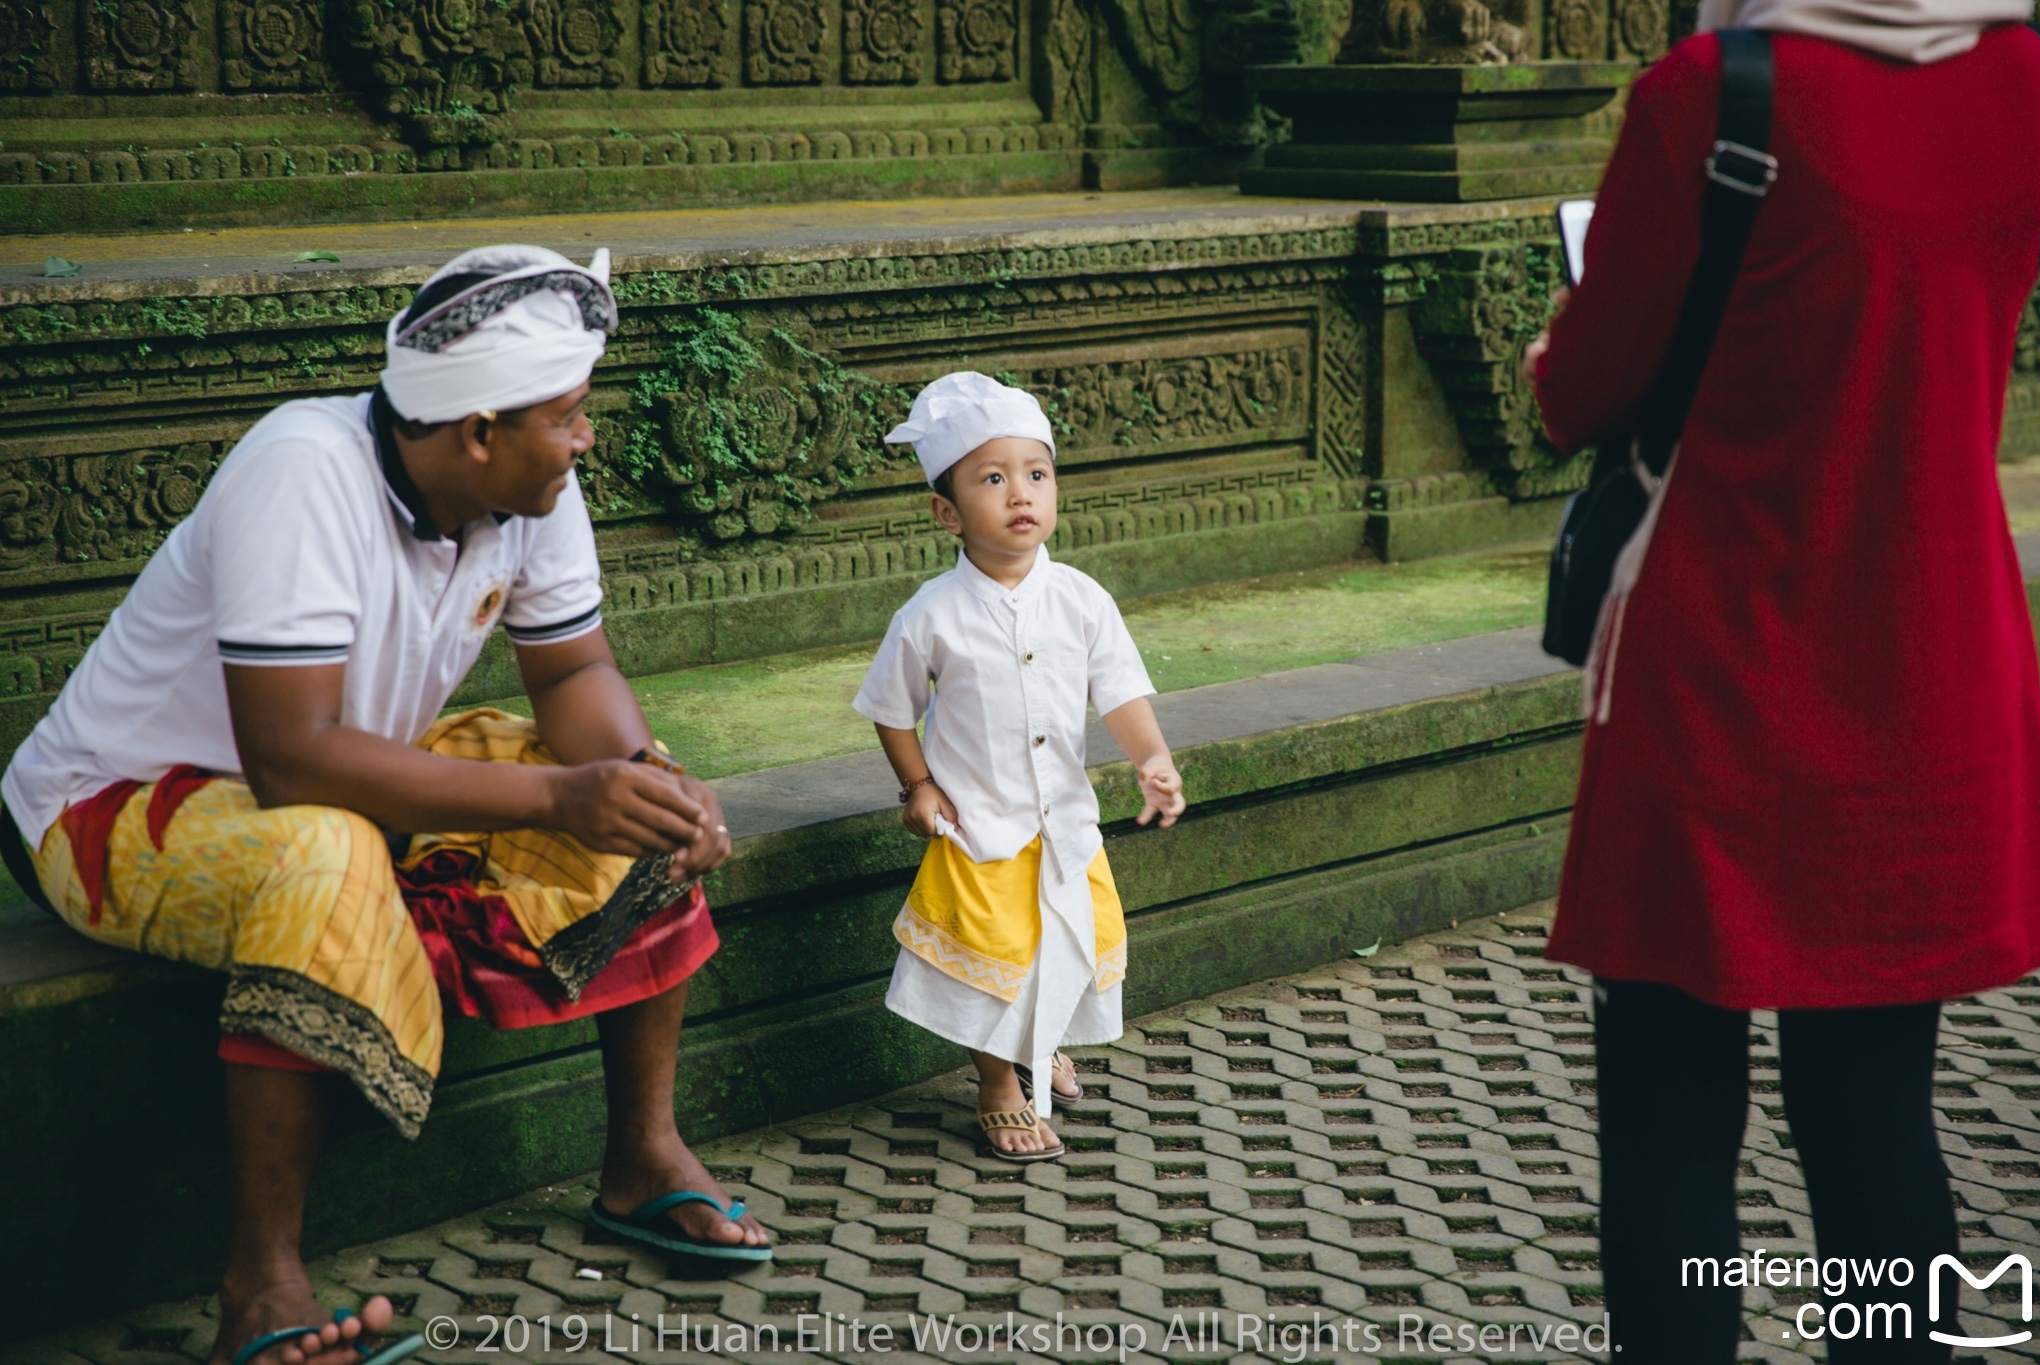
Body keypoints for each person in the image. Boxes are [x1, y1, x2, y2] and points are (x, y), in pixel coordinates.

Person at [1, 245, 772, 1365]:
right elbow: (292, 763)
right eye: (568, 416)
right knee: (325, 852)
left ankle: (641, 1157)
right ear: (476, 431)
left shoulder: (530, 483)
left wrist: (643, 781)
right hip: (114, 810)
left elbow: (570, 677)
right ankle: (260, 1291)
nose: (585, 436)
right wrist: (562, 792)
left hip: (354, 769)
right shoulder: (303, 468)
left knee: (635, 795)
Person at [1524, 1, 2040, 1357]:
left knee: (1672, 1119)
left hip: (1721, 671)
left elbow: (1582, 391)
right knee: (1879, 1119)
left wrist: (1552, 354)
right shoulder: (2025, 79)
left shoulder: (1710, 92)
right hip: (1928, 667)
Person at [852, 372, 1188, 1161]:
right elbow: (890, 707)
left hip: (1062, 825)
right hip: (980, 826)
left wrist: (1153, 759)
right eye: (992, 478)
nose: (1020, 494)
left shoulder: (1080, 597)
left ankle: (1041, 1046)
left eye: (1036, 474)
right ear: (946, 511)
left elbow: (1121, 689)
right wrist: (919, 784)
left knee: (1064, 946)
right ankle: (999, 1083)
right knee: (992, 963)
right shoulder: (930, 613)